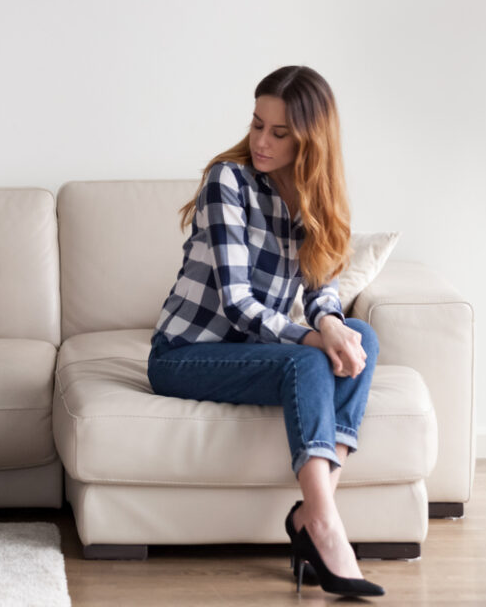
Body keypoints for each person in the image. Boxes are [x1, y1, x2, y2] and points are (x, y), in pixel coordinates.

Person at [147, 66, 384, 598]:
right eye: (257, 125)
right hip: (185, 354)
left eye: (279, 133)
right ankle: (324, 525)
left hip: (257, 353)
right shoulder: (227, 181)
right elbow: (236, 303)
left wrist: (329, 325)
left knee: (360, 337)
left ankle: (312, 512)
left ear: (310, 141)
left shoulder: (314, 196)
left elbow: (322, 289)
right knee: (308, 357)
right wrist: (314, 339)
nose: (261, 142)